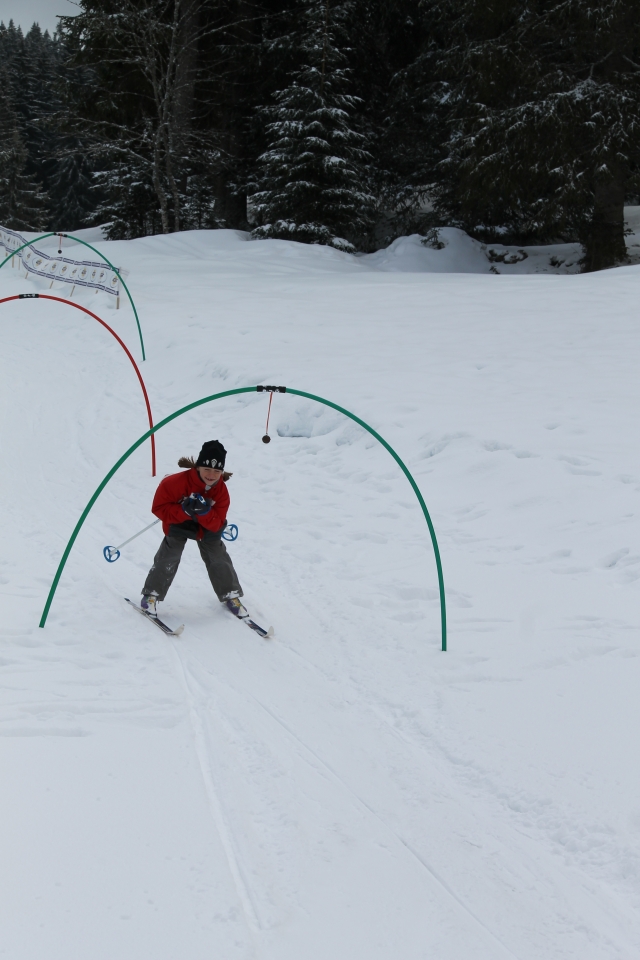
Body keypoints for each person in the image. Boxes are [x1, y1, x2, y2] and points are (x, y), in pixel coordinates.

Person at [140, 440, 248, 620]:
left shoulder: (221, 491)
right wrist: (182, 510)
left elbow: (217, 523)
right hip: (179, 522)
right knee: (170, 554)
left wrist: (205, 512)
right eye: (207, 469)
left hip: (206, 525)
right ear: (197, 467)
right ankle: (151, 594)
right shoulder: (174, 483)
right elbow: (158, 508)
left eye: (217, 471)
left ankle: (230, 594)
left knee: (218, 556)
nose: (211, 475)